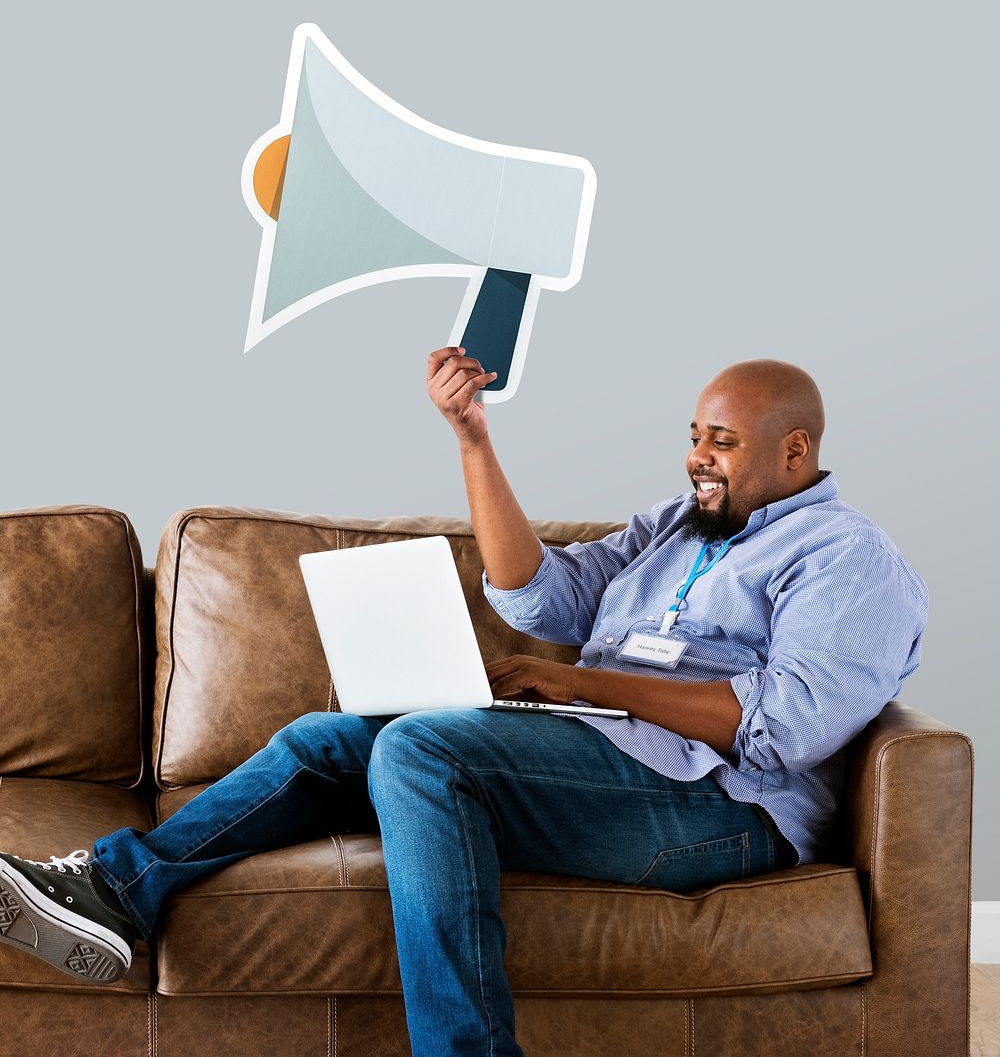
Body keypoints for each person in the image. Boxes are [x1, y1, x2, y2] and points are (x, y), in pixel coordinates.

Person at [0, 347, 927, 1057]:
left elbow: (784, 723)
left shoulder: (847, 559)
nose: (697, 458)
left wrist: (579, 682)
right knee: (330, 739)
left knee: (419, 750)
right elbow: (542, 595)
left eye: (720, 441)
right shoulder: (675, 528)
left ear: (796, 447)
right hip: (603, 754)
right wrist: (473, 438)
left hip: (719, 806)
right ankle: (116, 891)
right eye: (694, 435)